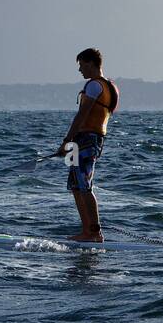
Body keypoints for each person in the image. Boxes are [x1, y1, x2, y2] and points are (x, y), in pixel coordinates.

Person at [57, 48, 119, 242]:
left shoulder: (94, 86)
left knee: (85, 185)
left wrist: (66, 141)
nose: (80, 70)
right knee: (75, 185)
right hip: (82, 140)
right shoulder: (108, 86)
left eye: (82, 65)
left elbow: (82, 114)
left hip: (87, 140)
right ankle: (87, 231)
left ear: (91, 63)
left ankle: (94, 233)